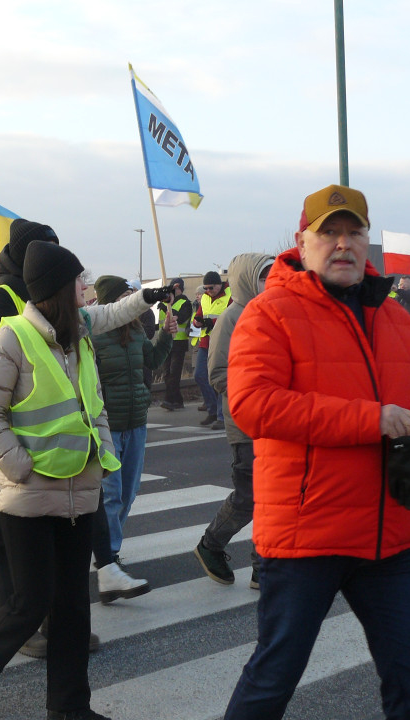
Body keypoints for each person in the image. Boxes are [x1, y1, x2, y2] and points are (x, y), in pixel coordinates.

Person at [222, 185, 410, 720]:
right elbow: (254, 405)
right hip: (307, 537)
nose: (343, 244)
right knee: (272, 679)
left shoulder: (394, 317)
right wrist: (370, 420)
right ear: (302, 244)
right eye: (329, 232)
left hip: (389, 534)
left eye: (354, 232)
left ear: (367, 242)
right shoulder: (270, 312)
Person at [0, 241, 118, 720]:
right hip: (28, 496)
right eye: (79, 282)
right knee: (31, 601)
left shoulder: (80, 338)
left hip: (79, 491)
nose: (86, 289)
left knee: (73, 608)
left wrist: (103, 455)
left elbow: (94, 407)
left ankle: (71, 709)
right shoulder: (12, 336)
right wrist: (19, 468)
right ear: (59, 289)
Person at [194, 252, 272, 590]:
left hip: (276, 423)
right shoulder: (232, 317)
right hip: (246, 423)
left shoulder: (273, 312)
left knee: (273, 497)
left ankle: (262, 567)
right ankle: (211, 545)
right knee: (249, 497)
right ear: (246, 279)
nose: (270, 283)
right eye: (263, 276)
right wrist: (258, 394)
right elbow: (217, 373)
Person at [92, 274, 174, 594]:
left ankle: (108, 550)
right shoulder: (95, 336)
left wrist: (166, 337)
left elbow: (151, 361)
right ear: (111, 301)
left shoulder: (137, 330)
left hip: (136, 421)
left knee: (129, 492)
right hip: (109, 425)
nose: (131, 303)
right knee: (111, 494)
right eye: (125, 296)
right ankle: (109, 557)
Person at [193, 271, 231, 429]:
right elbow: (198, 317)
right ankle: (213, 410)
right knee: (200, 375)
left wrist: (212, 322)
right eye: (205, 288)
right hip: (206, 342)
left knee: (221, 378)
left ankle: (222, 417)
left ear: (219, 284)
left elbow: (231, 317)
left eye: (210, 288)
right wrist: (198, 321)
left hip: (223, 342)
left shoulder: (230, 295)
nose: (207, 291)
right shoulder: (205, 298)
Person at [156, 277, 191, 411]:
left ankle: (169, 399)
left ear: (179, 289)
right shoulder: (165, 303)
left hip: (179, 342)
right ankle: (178, 400)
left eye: (174, 288)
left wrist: (166, 309)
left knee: (174, 373)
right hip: (166, 342)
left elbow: (181, 318)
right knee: (166, 373)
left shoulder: (185, 303)